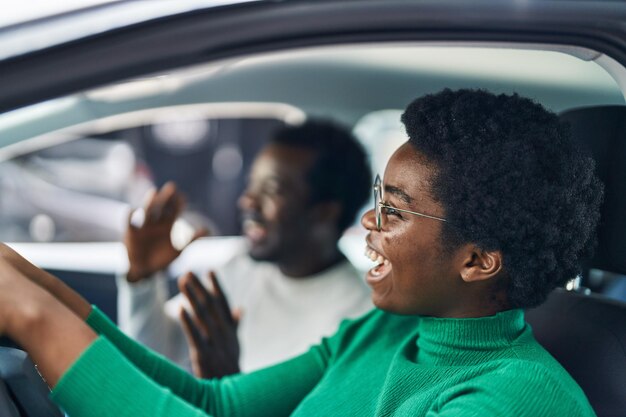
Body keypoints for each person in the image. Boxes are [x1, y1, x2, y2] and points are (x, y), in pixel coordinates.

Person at [0, 89, 601, 416]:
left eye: (394, 209)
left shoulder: (509, 400)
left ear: (477, 261)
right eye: (377, 198)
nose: (368, 220)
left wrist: (35, 318)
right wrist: (31, 283)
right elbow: (214, 404)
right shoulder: (386, 332)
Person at [117, 119, 374, 376]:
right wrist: (144, 279)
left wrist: (228, 386)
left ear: (324, 213)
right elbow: (151, 361)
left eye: (272, 189)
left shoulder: (360, 317)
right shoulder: (241, 269)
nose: (247, 200)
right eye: (252, 183)